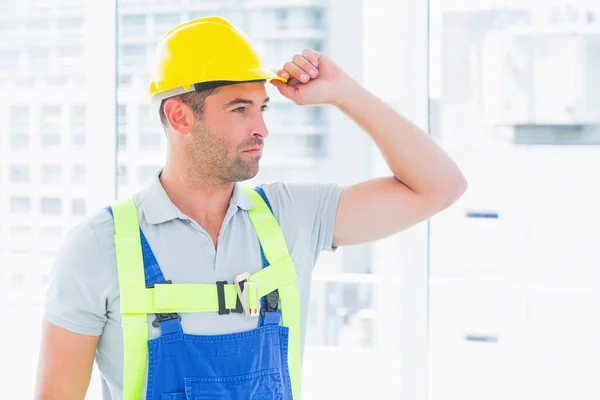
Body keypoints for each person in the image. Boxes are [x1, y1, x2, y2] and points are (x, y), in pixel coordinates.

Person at [34, 16, 467, 400]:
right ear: (180, 117)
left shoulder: (291, 216)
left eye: (261, 107)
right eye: (240, 109)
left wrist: (345, 94)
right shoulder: (96, 247)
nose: (262, 127)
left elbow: (440, 187)